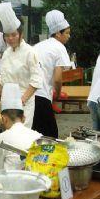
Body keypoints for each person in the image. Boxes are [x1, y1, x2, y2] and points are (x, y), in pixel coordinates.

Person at [0, 2, 43, 128]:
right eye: (7, 35)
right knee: (7, 139)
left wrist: (22, 100)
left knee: (21, 139)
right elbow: (3, 79)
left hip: (24, 105)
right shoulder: (6, 53)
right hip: (6, 103)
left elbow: (36, 80)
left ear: (21, 35)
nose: (10, 38)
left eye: (14, 35)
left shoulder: (30, 52)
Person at [32, 10, 71, 138]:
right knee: (51, 137)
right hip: (41, 96)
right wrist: (58, 94)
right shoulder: (59, 48)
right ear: (58, 33)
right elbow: (58, 79)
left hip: (28, 94)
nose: (68, 36)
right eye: (67, 33)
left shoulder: (39, 45)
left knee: (34, 135)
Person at [0, 83, 42, 171]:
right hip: (35, 183)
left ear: (3, 119)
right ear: (24, 118)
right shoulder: (39, 137)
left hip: (10, 183)